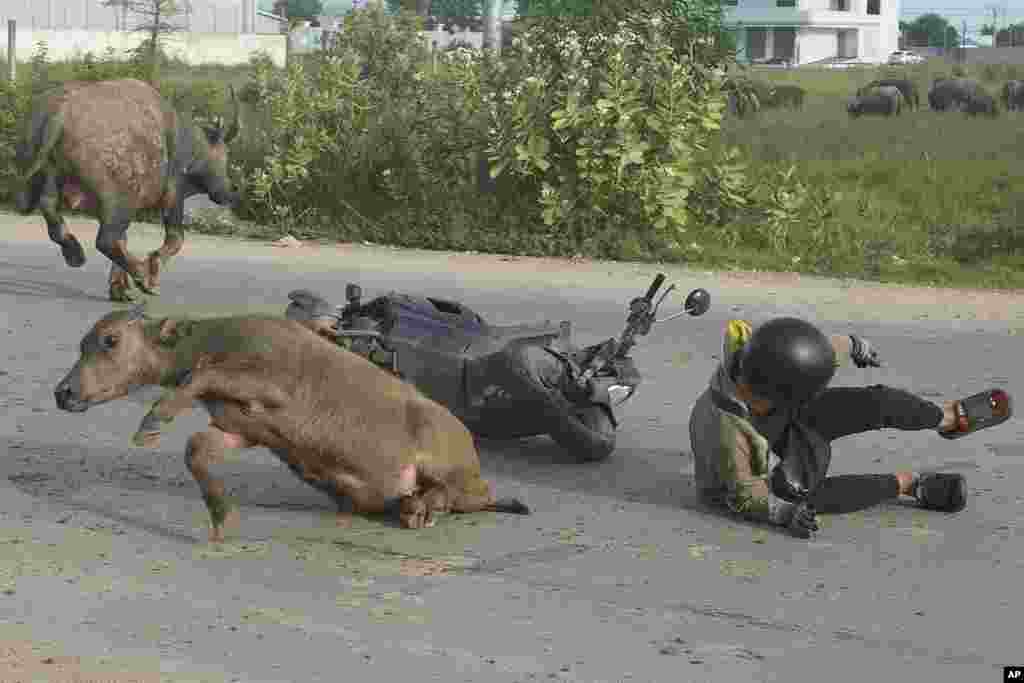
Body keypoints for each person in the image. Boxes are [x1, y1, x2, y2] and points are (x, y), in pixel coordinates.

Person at [688, 316, 1013, 539]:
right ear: (780, 393)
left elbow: (807, 353)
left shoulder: (757, 354)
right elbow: (746, 496)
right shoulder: (730, 434)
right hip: (743, 483)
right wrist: (784, 514)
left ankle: (947, 419)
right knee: (799, 495)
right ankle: (909, 484)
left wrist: (853, 345)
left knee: (876, 403)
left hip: (778, 418)